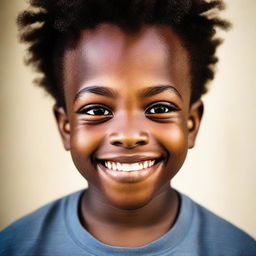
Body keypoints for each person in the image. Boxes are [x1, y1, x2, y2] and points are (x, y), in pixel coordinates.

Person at [0, 0, 255, 255]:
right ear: (66, 127)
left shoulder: (238, 250)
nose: (129, 135)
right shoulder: (15, 247)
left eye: (160, 109)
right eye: (97, 111)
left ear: (191, 123)